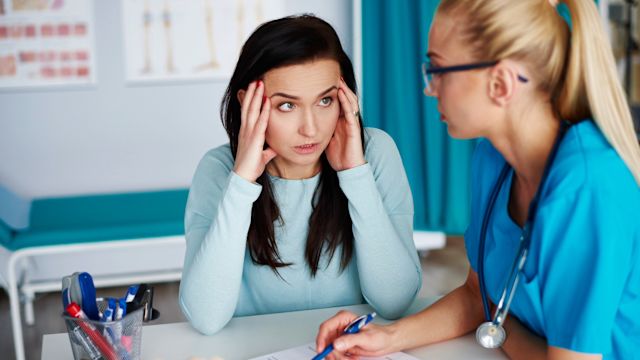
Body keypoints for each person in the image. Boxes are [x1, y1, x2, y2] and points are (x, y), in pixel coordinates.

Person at [315, 0, 640, 359]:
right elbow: (477, 295)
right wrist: (387, 339)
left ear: (500, 83)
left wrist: (501, 328)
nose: (429, 88)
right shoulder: (493, 157)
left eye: (437, 69)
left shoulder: (587, 187)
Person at [179, 15, 422, 335]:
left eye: (325, 100)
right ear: (247, 103)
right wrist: (242, 183)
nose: (310, 128)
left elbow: (395, 301)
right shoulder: (219, 168)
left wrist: (355, 175)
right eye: (286, 106)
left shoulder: (374, 152)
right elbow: (205, 317)